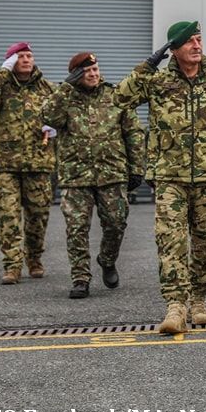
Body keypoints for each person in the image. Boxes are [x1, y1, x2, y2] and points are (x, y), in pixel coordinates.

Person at [114, 21, 206, 334]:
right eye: (189, 42)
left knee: (204, 242)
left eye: (200, 40)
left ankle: (199, 300)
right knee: (170, 241)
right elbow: (119, 99)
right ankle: (175, 306)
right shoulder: (157, 81)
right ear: (174, 50)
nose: (197, 46)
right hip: (168, 177)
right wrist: (147, 65)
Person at [41, 52, 145, 299]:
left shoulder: (115, 95)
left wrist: (137, 168)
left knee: (116, 223)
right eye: (87, 71)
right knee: (76, 228)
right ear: (77, 74)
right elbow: (47, 117)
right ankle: (80, 277)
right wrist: (66, 86)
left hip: (112, 173)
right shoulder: (65, 98)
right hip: (76, 176)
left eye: (95, 69)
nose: (94, 74)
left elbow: (134, 132)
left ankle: (107, 260)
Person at [0, 42, 56, 285]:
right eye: (20, 56)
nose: (27, 60)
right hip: (6, 163)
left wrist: (56, 127)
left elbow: (63, 111)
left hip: (38, 163)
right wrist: (2, 72)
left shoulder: (46, 87)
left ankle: (35, 259)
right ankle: (11, 266)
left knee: (38, 217)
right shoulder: (1, 86)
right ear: (11, 61)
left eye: (29, 55)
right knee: (8, 216)